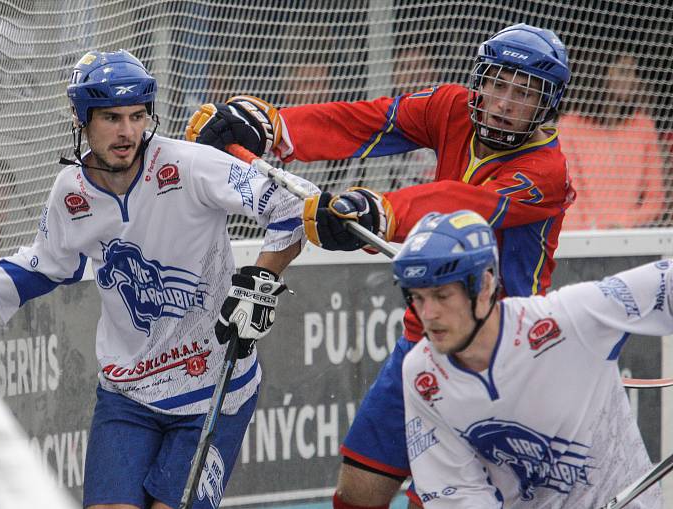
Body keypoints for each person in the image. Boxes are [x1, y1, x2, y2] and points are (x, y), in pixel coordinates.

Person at [0, 49, 318, 509]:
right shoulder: (71, 191)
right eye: (111, 117)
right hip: (127, 392)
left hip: (212, 388)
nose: (127, 132)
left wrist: (261, 279)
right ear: (82, 119)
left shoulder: (190, 165)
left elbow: (294, 206)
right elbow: (49, 263)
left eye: (138, 115)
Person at [186, 23, 574, 508]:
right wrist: (276, 129)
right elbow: (373, 121)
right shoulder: (453, 108)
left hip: (499, 357)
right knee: (357, 492)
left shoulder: (547, 172)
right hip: (425, 334)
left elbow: (466, 206)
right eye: (497, 83)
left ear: (549, 104)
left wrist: (382, 211)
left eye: (523, 93)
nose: (503, 102)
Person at [394, 209, 662, 507]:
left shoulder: (566, 319)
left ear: (484, 285)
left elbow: (664, 283)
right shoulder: (422, 373)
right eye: (417, 298)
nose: (428, 314)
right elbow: (456, 492)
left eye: (442, 296)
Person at [559, 48, 665, 229]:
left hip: (629, 238)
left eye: (634, 72)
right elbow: (570, 192)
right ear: (601, 73)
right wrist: (592, 231)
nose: (633, 80)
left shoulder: (643, 126)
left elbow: (656, 198)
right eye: (624, 71)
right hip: (581, 238)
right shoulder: (569, 126)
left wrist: (624, 224)